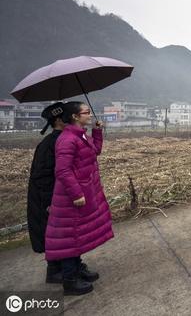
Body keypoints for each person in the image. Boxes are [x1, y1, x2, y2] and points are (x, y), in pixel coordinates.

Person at [45, 101, 114, 295]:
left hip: (84, 191)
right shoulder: (67, 139)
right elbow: (63, 170)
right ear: (75, 116)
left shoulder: (80, 135)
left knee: (78, 234)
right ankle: (70, 279)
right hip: (72, 197)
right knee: (71, 236)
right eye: (86, 113)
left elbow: (95, 151)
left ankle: (77, 268)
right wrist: (77, 194)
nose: (89, 115)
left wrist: (97, 132)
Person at [26, 102, 65, 283]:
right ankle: (55, 270)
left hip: (60, 195)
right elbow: (42, 177)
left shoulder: (63, 139)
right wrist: (49, 202)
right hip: (48, 198)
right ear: (58, 120)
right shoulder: (50, 144)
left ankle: (68, 266)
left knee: (64, 232)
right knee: (54, 232)